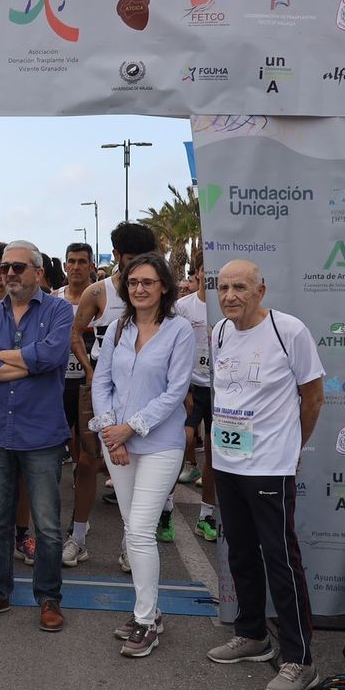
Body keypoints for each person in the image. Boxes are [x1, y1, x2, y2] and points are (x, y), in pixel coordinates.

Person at [206, 259, 325, 690]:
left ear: (261, 290)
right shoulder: (219, 333)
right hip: (228, 462)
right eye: (223, 287)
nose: (230, 295)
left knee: (280, 558)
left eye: (240, 287)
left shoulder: (288, 331)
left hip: (269, 465)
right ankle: (252, 635)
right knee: (239, 552)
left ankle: (300, 660)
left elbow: (312, 396)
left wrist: (291, 448)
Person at [0, 241, 73, 632]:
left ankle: (49, 598)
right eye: (4, 266)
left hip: (41, 431)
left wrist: (2, 357)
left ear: (38, 273)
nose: (9, 273)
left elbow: (53, 356)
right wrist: (28, 360)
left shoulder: (60, 310)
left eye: (18, 267)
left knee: (45, 524)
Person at [90, 253, 194, 658]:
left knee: (139, 530)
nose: (139, 289)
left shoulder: (179, 330)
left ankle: (147, 621)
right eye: (133, 282)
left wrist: (129, 428)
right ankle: (149, 611)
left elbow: (175, 391)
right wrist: (111, 433)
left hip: (160, 443)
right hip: (117, 442)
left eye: (148, 282)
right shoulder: (118, 328)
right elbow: (102, 383)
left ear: (164, 286)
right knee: (133, 531)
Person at [70, 222, 160, 567]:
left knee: (139, 469)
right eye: (130, 259)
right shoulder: (98, 292)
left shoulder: (158, 292)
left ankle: (128, 544)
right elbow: (76, 334)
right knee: (87, 462)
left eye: (145, 259)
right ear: (118, 256)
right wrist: (92, 372)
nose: (137, 266)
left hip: (143, 397)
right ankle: (78, 537)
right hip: (102, 393)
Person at [175, 266, 219, 541]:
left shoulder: (225, 304)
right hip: (190, 386)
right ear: (199, 272)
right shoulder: (183, 306)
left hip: (219, 390)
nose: (209, 276)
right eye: (204, 270)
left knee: (214, 454)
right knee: (183, 441)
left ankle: (206, 515)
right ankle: (166, 511)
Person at [60, 242, 96, 566]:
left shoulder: (101, 297)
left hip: (91, 387)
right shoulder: (56, 300)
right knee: (67, 454)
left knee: (86, 459)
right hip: (60, 387)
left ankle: (79, 526)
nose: (76, 267)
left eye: (82, 262)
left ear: (91, 265)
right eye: (71, 261)